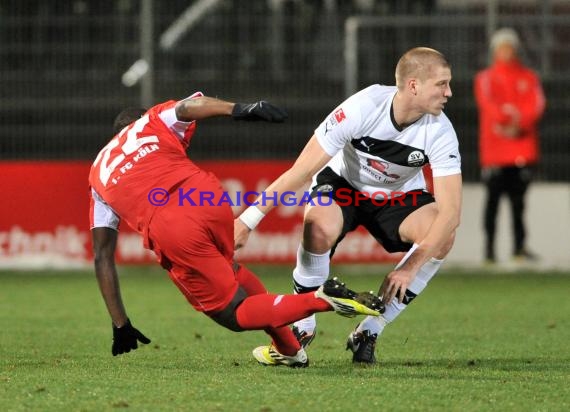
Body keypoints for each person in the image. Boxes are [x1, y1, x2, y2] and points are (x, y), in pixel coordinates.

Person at [89, 92, 384, 368]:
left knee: (232, 312)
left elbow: (102, 256)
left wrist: (120, 323)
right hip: (205, 194)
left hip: (170, 223)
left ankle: (323, 299)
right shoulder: (150, 121)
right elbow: (191, 105)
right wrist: (240, 110)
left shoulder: (97, 174)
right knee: (229, 272)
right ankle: (290, 350)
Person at [235, 47, 462, 364]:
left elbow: (451, 213)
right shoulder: (362, 107)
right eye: (442, 84)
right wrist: (247, 221)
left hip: (398, 197)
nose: (449, 92)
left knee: (442, 237)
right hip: (345, 185)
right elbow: (301, 171)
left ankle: (368, 331)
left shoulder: (440, 131)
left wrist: (410, 267)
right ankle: (303, 325)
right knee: (316, 228)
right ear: (414, 85)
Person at [474, 28, 546, 264]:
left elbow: (536, 107)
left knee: (518, 204)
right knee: (492, 203)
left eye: (510, 47)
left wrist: (518, 123)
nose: (506, 51)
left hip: (522, 150)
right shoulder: (485, 78)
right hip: (495, 152)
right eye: (502, 47)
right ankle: (488, 251)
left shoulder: (529, 78)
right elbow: (489, 105)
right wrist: (509, 119)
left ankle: (519, 248)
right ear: (495, 50)